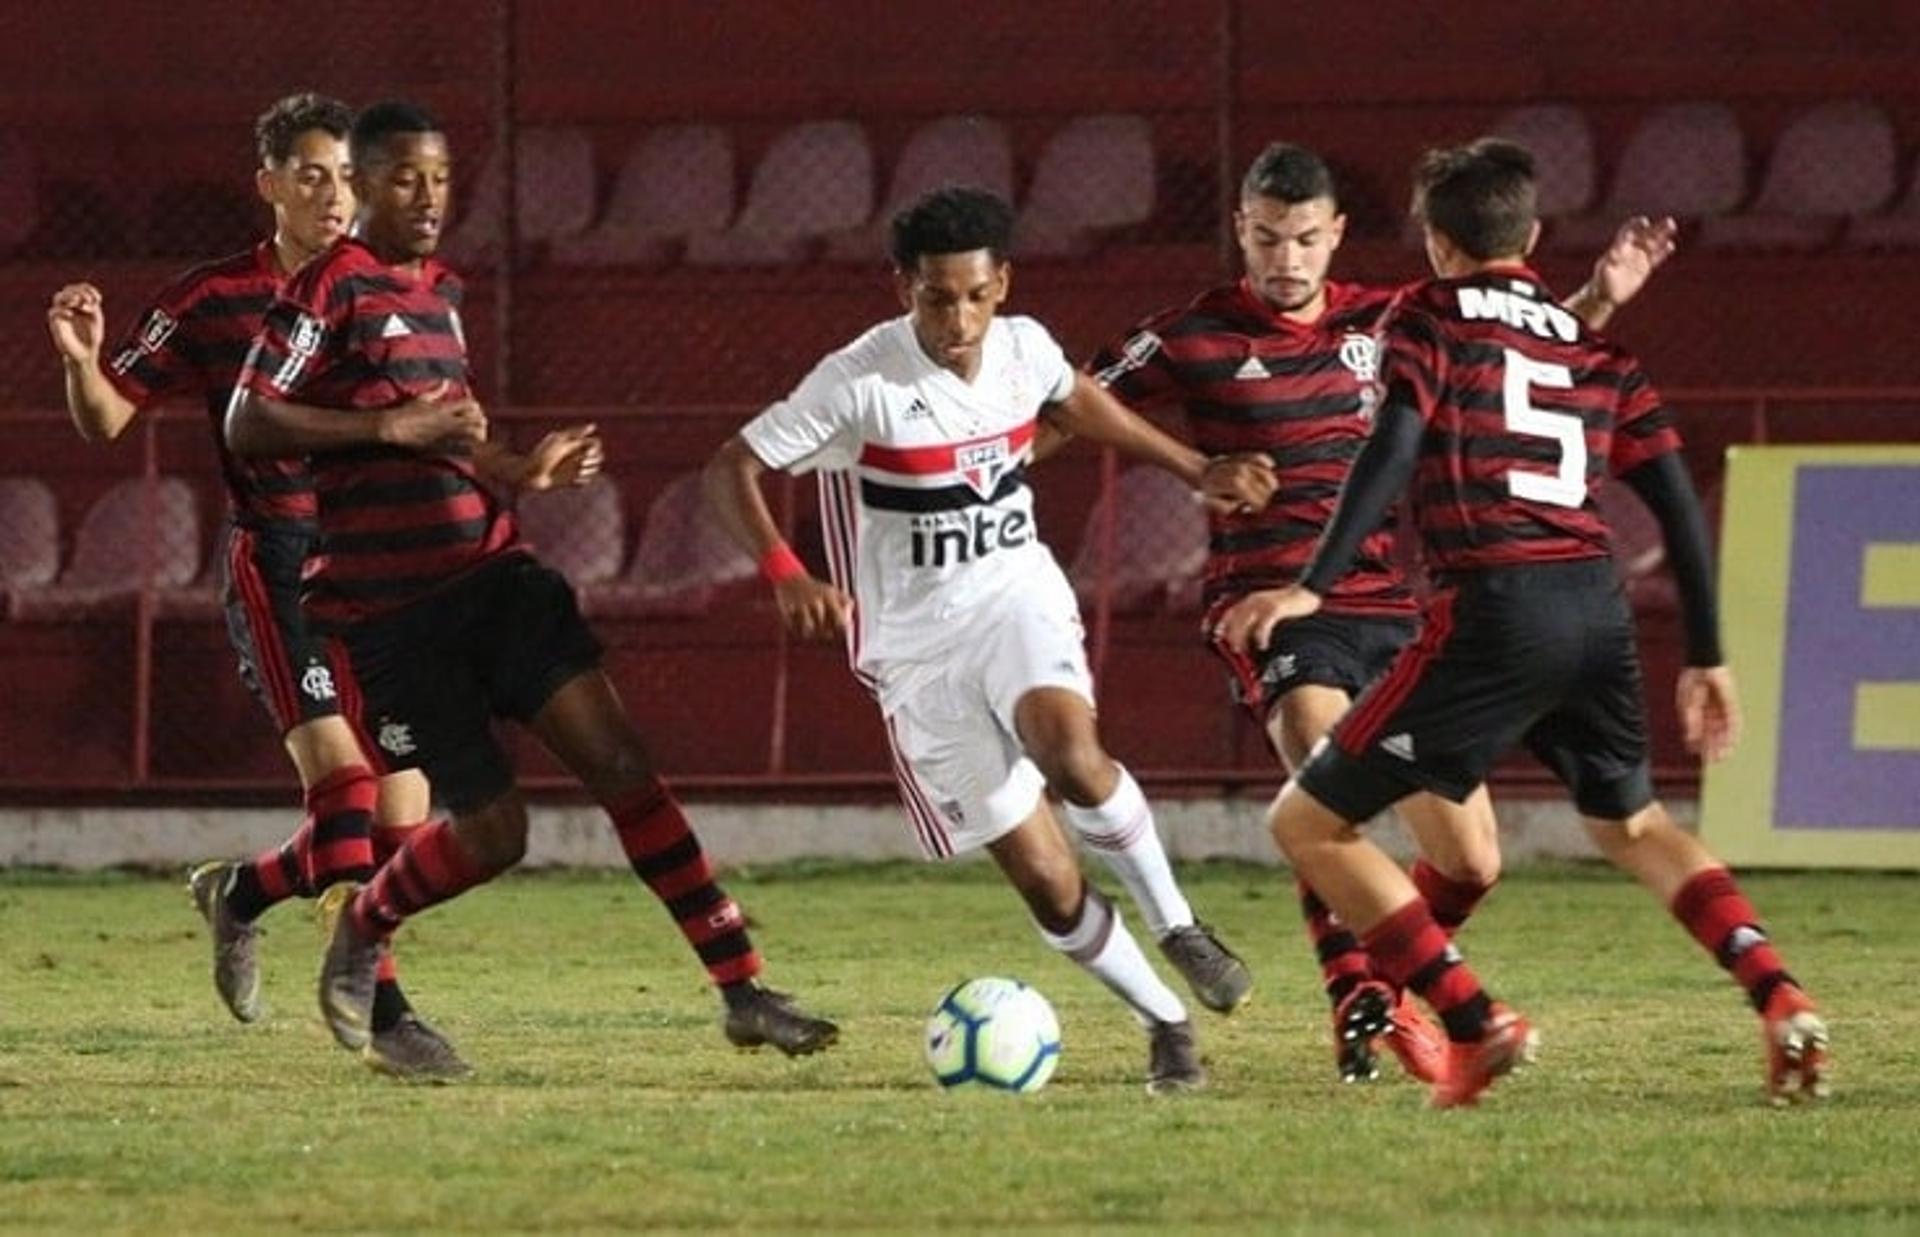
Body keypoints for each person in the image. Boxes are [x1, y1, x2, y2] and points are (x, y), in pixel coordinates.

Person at [224, 100, 837, 1070]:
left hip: (496, 578)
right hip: (392, 620)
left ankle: (744, 988)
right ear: (363, 183)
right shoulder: (327, 289)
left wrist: (522, 470)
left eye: (439, 177)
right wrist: (388, 432)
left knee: (624, 764)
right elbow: (247, 421)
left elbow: (447, 434)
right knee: (496, 833)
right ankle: (363, 928)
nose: (426, 197)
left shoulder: (442, 291)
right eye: (402, 178)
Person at [1219, 138, 1827, 1108]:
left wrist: (1312, 585)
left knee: (1308, 822)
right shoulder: (1589, 343)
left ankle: (1472, 1020)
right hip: (1596, 605)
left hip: (1493, 609)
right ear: (1531, 235)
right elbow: (1674, 501)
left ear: (1433, 240)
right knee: (1636, 823)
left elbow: (1391, 449)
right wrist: (1707, 652)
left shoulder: (1422, 316)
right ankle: (1780, 994)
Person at [1090, 141, 1677, 1084]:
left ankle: (1385, 982)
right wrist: (1191, 465)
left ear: (1338, 238)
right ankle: (1384, 1007)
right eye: (1268, 237)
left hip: (1397, 611)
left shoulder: (1395, 319)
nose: (1285, 258)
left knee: (1473, 859)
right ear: (1240, 227)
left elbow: (1512, 365)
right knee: (1326, 780)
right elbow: (1066, 403)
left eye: (1305, 239)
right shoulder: (1193, 335)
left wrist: (1601, 298)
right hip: (1274, 610)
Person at [704, 186, 1279, 1093]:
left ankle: (1178, 925)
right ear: (905, 289)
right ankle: (1164, 1021)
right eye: (938, 297)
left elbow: (1076, 399)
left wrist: (1194, 466)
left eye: (976, 294)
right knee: (1049, 881)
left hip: (1016, 596)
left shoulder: (1023, 346)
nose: (959, 317)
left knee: (1071, 749)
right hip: (914, 652)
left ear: (1001, 283)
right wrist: (786, 572)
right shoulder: (859, 380)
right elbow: (730, 466)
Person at [44, 93, 482, 1080]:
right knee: (347, 785)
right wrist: (80, 361)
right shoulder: (213, 299)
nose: (335, 197)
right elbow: (106, 417)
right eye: (314, 176)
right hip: (280, 562)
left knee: (403, 815)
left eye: (347, 178)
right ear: (271, 184)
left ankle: (240, 893)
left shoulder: (398, 291)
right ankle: (390, 1012)